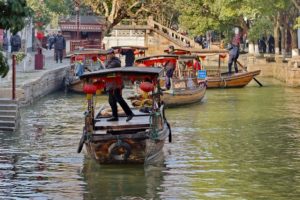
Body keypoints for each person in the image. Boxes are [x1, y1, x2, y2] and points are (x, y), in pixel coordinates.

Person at [105, 48, 134, 122]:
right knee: (111, 100)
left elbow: (107, 68)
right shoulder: (110, 61)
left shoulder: (116, 62)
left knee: (118, 98)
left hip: (116, 83)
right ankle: (115, 116)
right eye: (107, 54)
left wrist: (107, 62)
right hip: (110, 84)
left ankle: (129, 113)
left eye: (109, 54)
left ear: (112, 54)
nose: (108, 56)